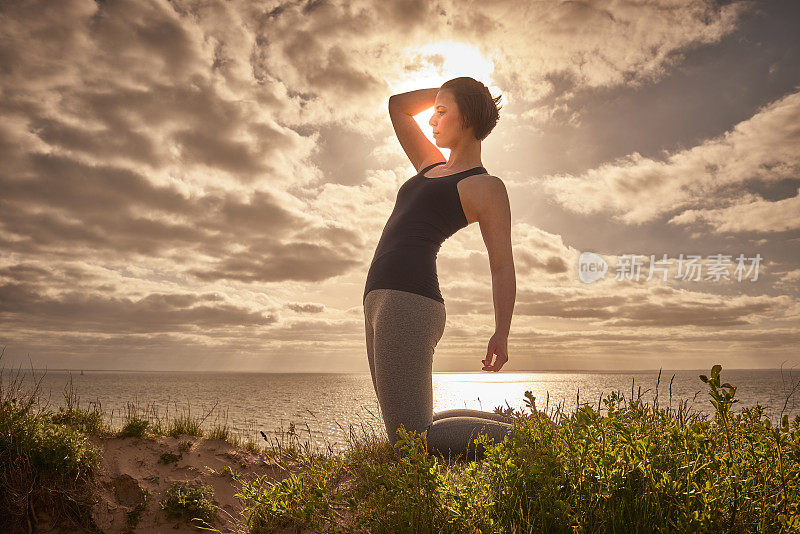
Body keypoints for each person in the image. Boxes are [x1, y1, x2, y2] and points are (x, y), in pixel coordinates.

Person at [363, 77, 525, 462]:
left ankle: (532, 443)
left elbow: (502, 265)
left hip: (410, 303)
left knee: (409, 441)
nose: (432, 120)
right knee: (412, 424)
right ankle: (528, 431)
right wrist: (444, 90)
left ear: (465, 116)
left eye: (441, 111)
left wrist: (501, 331)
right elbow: (397, 105)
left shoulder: (485, 186)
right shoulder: (428, 164)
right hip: (379, 301)